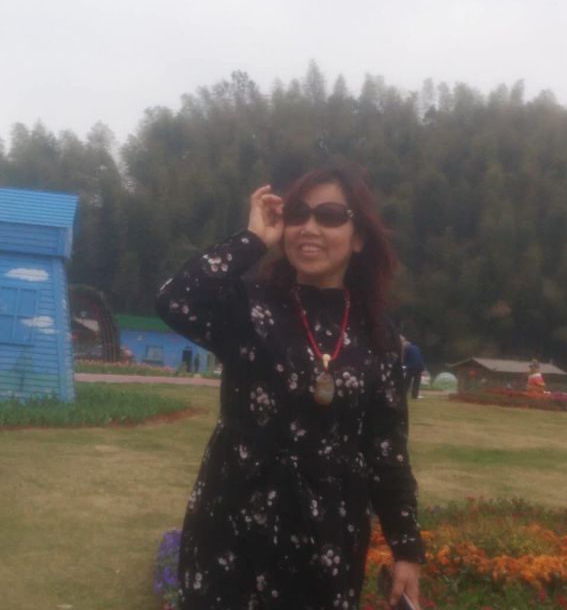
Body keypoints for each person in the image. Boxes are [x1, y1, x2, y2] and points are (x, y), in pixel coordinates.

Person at [156, 164, 425, 610]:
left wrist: (406, 549)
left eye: (330, 216)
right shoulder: (249, 307)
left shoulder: (376, 333)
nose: (309, 228)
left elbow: (386, 451)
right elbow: (175, 299)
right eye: (298, 214)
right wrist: (253, 240)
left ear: (359, 237)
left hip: (328, 539)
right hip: (232, 530)